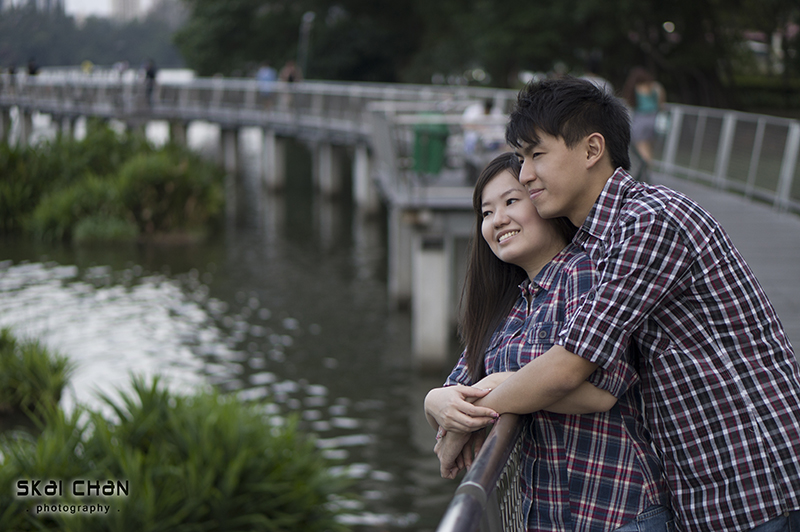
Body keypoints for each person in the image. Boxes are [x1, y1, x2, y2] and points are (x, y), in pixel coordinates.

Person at [471, 76, 800, 532]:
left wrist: (469, 412)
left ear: (591, 150)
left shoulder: (649, 221)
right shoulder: (595, 244)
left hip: (752, 481)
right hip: (702, 488)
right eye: (522, 157)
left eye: (537, 154)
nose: (525, 174)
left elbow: (568, 367)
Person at [425, 152, 672, 531]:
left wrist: (492, 387)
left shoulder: (586, 273)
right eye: (486, 213)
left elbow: (602, 392)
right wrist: (434, 402)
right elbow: (458, 386)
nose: (497, 220)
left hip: (619, 511)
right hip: (549, 518)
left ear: (541, 200)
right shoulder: (511, 304)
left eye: (511, 201)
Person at [621, 67, 665, 164]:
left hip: (640, 119)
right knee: (649, 146)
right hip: (654, 119)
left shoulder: (636, 88)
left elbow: (630, 103)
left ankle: (645, 168)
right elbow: (661, 104)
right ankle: (648, 166)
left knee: (641, 146)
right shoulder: (656, 87)